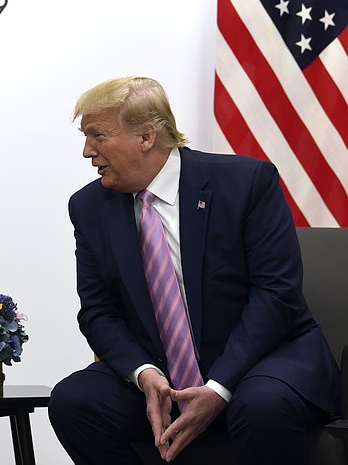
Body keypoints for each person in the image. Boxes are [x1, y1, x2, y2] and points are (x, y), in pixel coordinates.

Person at [48, 76, 339, 464]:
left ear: (147, 137)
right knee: (75, 402)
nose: (87, 151)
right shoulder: (89, 207)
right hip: (162, 373)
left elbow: (276, 294)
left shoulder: (245, 183)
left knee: (262, 408)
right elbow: (99, 311)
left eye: (97, 135)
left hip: (263, 359)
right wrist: (144, 373)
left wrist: (218, 387)